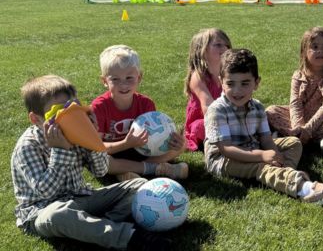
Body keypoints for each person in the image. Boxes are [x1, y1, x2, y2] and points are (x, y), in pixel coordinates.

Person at [11, 75, 171, 250]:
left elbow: (101, 169)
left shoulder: (74, 130)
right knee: (58, 215)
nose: (69, 116)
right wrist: (60, 151)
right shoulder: (28, 146)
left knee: (139, 185)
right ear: (36, 119)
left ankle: (92, 229)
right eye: (58, 112)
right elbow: (46, 192)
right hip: (43, 211)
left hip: (81, 198)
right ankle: (130, 237)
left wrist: (92, 138)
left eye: (73, 108)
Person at [204, 48, 323, 205]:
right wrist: (262, 156)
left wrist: (273, 152)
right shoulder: (217, 110)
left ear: (256, 83)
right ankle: (306, 189)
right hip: (223, 159)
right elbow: (226, 149)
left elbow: (266, 139)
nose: (237, 91)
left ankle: (281, 174)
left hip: (252, 146)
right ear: (221, 82)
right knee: (260, 167)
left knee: (294, 143)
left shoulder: (257, 107)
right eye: (230, 84)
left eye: (245, 83)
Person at [91, 45, 188, 181]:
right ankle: (157, 169)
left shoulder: (146, 104)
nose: (123, 84)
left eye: (129, 78)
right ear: (104, 81)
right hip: (113, 152)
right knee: (101, 160)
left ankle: (128, 173)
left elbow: (154, 140)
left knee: (183, 145)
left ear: (139, 77)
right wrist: (126, 143)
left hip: (141, 151)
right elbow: (97, 147)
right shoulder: (99, 107)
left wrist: (171, 142)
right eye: (115, 79)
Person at [266, 27, 323, 152]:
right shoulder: (298, 76)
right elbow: (295, 104)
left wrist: (308, 129)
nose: (320, 51)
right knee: (270, 111)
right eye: (315, 47)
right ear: (305, 51)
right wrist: (299, 127)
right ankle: (301, 136)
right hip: (300, 118)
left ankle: (291, 136)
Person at [184, 28, 232, 151]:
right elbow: (208, 107)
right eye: (218, 45)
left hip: (228, 115)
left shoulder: (227, 73)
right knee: (199, 127)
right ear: (203, 50)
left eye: (227, 45)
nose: (225, 48)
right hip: (207, 118)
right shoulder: (198, 76)